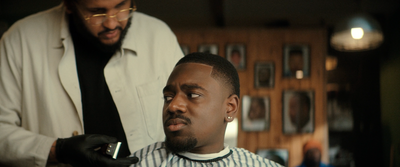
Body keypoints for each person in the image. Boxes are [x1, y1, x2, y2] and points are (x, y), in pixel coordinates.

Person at [0, 0, 183, 166]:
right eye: (97, 12)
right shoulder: (20, 41)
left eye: (121, 7)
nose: (111, 23)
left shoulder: (158, 36)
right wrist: (58, 150)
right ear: (70, 5)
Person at [129, 52, 282, 167]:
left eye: (193, 95)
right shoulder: (140, 162)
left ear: (230, 108)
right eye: (168, 97)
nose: (173, 106)